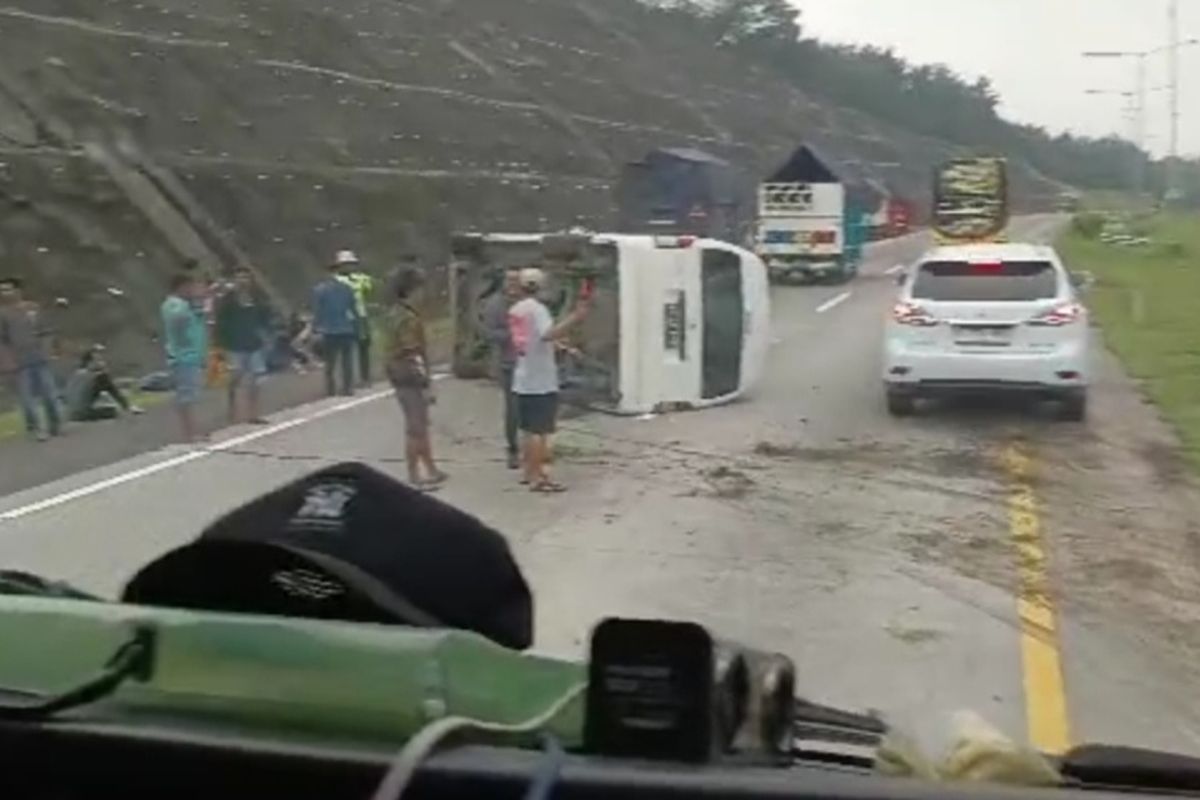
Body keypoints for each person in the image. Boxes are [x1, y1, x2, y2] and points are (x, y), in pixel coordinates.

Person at [507, 267, 589, 493]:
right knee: (540, 432)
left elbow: (533, 339)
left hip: (523, 376)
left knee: (527, 430)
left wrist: (564, 348)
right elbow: (546, 334)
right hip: (540, 379)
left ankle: (527, 472)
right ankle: (540, 477)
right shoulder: (538, 310)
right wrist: (575, 318)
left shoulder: (516, 309)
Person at [384, 267, 447, 490]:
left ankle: (430, 467)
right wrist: (426, 383)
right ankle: (415, 476)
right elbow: (413, 353)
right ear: (411, 290)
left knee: (420, 423)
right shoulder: (408, 317)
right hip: (408, 375)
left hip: (398, 372)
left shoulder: (395, 312)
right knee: (416, 426)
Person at [0, 276, 61, 442]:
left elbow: (46, 331)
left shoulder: (32, 308)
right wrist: (7, 362)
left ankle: (55, 425)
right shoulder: (3, 314)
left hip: (39, 357)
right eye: (2, 290)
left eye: (7, 289)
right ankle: (37, 429)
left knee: (49, 394)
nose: (4, 293)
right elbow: (3, 341)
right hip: (19, 363)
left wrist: (48, 350)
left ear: (17, 290)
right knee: (27, 399)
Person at [215, 266, 272, 425]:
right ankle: (232, 408)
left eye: (246, 278)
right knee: (236, 377)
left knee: (255, 379)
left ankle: (253, 414)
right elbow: (221, 322)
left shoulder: (256, 298)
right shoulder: (228, 299)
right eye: (239, 277)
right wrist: (220, 344)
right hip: (234, 345)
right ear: (234, 280)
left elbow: (264, 316)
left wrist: (265, 334)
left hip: (254, 343)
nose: (243, 281)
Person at [481, 268, 522, 469]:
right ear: (503, 282)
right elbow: (489, 334)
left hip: (531, 364)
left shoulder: (529, 302)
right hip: (508, 364)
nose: (514, 284)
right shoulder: (495, 304)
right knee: (513, 409)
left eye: (517, 280)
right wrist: (513, 334)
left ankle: (533, 448)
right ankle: (513, 449)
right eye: (510, 280)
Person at [161, 272, 208, 443]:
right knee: (186, 395)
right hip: (182, 357)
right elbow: (178, 321)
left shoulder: (186, 305)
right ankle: (189, 434)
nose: (193, 290)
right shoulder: (173, 304)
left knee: (192, 395)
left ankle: (194, 431)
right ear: (181, 287)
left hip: (192, 355)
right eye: (190, 287)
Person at [312, 256, 360, 397]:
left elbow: (317, 311)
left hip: (328, 330)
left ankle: (331, 389)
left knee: (330, 362)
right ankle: (347, 387)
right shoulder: (346, 288)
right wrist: (356, 326)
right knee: (347, 361)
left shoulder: (319, 290)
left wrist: (315, 328)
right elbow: (353, 309)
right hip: (345, 327)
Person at [64, 344, 144, 422]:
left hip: (69, 415)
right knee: (113, 410)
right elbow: (114, 391)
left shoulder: (75, 374)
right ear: (89, 363)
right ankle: (128, 408)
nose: (103, 363)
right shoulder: (100, 376)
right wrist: (127, 406)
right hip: (83, 414)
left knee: (103, 404)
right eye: (99, 360)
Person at [334, 250, 375, 387]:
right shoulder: (336, 280)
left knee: (364, 348)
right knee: (346, 351)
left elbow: (371, 290)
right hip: (346, 317)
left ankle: (365, 377)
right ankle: (347, 381)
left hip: (361, 315)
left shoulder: (361, 278)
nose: (349, 267)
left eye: (351, 264)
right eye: (346, 264)